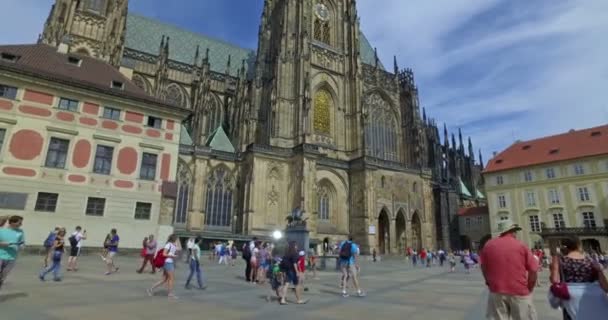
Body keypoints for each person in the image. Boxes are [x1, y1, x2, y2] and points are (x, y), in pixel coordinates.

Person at [480, 220, 538, 320]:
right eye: (515, 231)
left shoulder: (488, 245)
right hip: (519, 290)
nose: (516, 233)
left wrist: (488, 282)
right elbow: (533, 270)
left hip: (496, 290)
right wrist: (530, 286)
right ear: (511, 231)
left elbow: (483, 266)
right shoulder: (521, 245)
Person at [549, 236, 608, 319]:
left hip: (571, 298)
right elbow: (605, 286)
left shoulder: (561, 260)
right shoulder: (590, 260)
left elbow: (554, 280)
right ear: (578, 245)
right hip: (591, 298)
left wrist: (554, 265)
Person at [148, 234, 179, 299]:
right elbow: (164, 254)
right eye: (177, 238)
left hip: (169, 263)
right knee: (171, 279)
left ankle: (150, 289)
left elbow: (174, 252)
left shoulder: (173, 245)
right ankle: (170, 294)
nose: (178, 240)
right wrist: (172, 256)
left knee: (164, 279)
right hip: (168, 263)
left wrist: (174, 253)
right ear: (174, 238)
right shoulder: (168, 245)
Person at [0, 215, 25, 290]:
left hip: (12, 258)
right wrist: (2, 244)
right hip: (0, 256)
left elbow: (22, 243)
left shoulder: (20, 232)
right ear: (12, 222)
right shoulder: (2, 230)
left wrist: (22, 246)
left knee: (2, 278)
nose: (21, 224)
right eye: (19, 223)